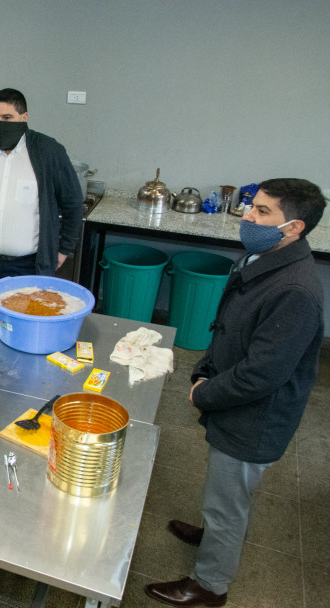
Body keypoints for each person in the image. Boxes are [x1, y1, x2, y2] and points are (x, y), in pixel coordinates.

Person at [145, 178, 326, 607]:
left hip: (256, 417)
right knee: (225, 495)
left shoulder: (295, 291)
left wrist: (204, 393)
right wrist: (206, 367)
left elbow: (261, 376)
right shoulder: (265, 258)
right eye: (252, 206)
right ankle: (214, 536)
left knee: (229, 501)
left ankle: (209, 585)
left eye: (264, 212)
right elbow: (235, 327)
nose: (249, 216)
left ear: (295, 228)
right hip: (238, 403)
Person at [0, 88, 83, 292]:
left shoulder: (49, 152)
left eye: (7, 117)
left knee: (25, 320)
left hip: (28, 267)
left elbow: (73, 204)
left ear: (24, 117)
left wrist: (64, 249)